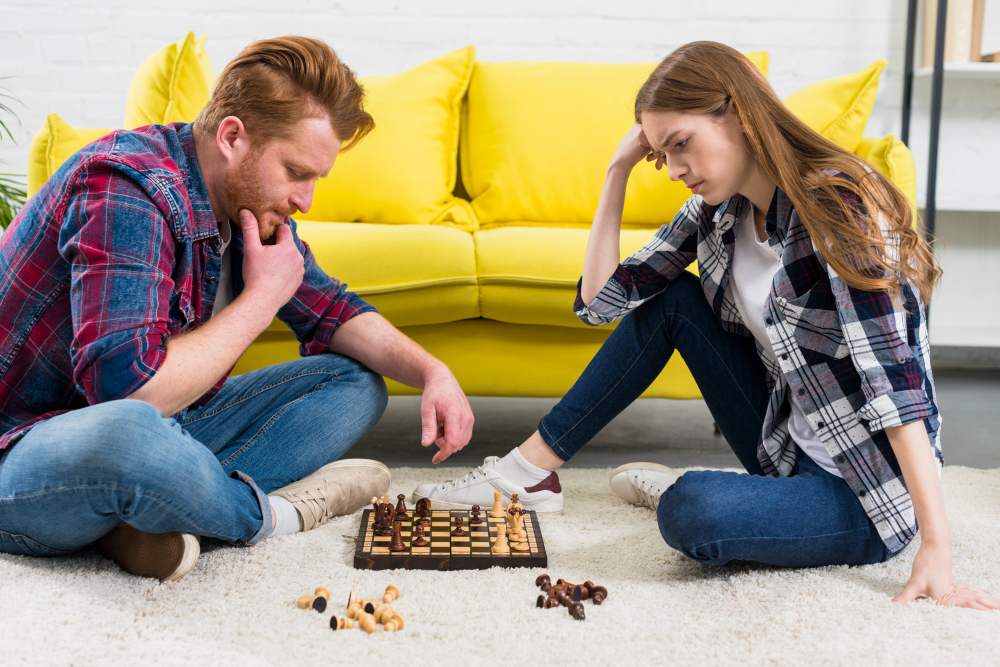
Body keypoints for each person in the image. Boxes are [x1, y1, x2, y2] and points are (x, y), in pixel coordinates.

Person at [412, 41, 999, 609]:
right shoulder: (723, 211)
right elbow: (603, 303)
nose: (671, 169)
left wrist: (936, 546)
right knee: (675, 300)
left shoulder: (838, 207)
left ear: (739, 114)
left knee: (691, 509)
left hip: (864, 492)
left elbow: (893, 387)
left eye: (681, 144)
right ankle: (526, 473)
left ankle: (709, 494)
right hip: (783, 445)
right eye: (660, 152)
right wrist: (617, 171)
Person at [0, 36, 473, 582]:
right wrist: (261, 300)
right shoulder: (125, 187)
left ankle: (143, 515)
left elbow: (332, 311)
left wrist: (433, 372)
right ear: (232, 138)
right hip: (27, 449)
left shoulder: (247, 205)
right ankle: (267, 514)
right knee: (130, 436)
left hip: (158, 433)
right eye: (296, 171)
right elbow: (128, 394)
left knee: (357, 383)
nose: (306, 200)